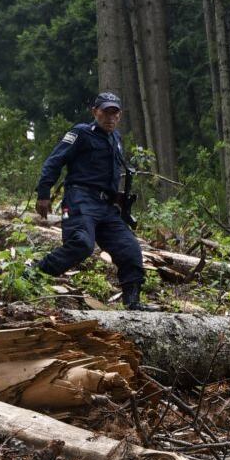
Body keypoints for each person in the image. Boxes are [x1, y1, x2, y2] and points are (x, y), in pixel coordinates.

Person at [33, 92, 152, 310]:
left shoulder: (115, 139)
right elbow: (55, 161)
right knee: (81, 243)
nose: (110, 117)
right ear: (95, 112)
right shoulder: (81, 133)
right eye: (105, 112)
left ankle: (133, 301)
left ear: (120, 115)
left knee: (130, 249)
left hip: (107, 207)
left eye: (114, 113)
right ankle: (35, 273)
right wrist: (43, 193)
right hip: (80, 199)